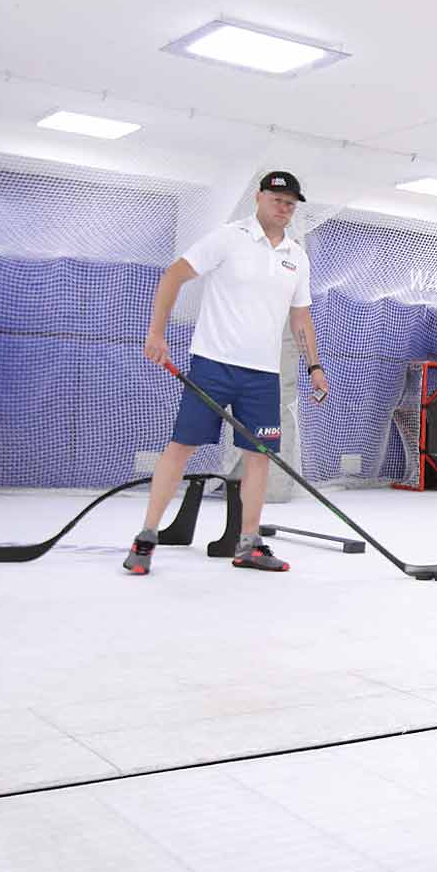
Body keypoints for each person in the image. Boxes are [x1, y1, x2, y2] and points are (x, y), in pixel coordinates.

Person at [124, 172, 329, 576]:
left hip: (262, 377)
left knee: (259, 458)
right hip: (213, 365)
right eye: (277, 199)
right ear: (259, 198)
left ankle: (248, 545)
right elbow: (173, 275)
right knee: (181, 447)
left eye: (291, 202)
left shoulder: (296, 256)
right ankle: (146, 536)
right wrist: (156, 332)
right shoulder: (228, 237)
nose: (284, 207)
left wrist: (314, 366)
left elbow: (301, 318)